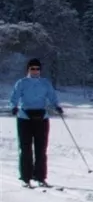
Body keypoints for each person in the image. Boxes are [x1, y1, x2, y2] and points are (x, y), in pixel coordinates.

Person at [10, 58, 64, 188]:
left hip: (41, 117)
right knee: (26, 148)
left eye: (37, 69)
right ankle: (25, 177)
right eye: (32, 68)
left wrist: (57, 106)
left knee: (41, 148)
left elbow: (52, 96)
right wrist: (14, 106)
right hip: (25, 117)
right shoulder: (22, 83)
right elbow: (14, 97)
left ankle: (40, 177)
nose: (35, 71)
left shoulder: (45, 83)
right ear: (28, 70)